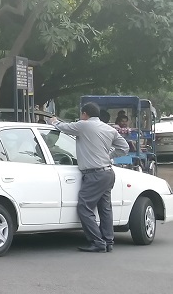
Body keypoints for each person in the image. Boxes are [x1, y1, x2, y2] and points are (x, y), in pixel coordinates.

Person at [47, 102, 129, 253]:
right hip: (107, 172)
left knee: (84, 208)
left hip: (94, 174)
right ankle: (108, 241)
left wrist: (54, 121)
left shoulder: (83, 125)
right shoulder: (109, 129)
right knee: (105, 209)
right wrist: (109, 155)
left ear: (85, 114)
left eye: (81, 114)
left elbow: (64, 127)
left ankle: (97, 242)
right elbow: (124, 148)